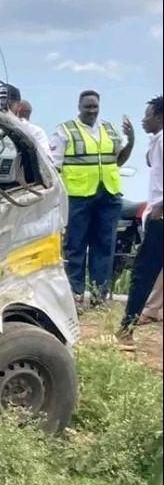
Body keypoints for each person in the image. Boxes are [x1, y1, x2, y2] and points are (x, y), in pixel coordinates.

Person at [51, 90, 135, 308]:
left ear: (99, 107)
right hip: (78, 196)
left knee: (104, 247)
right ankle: (75, 296)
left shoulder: (110, 129)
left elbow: (118, 162)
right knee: (75, 246)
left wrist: (131, 141)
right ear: (79, 107)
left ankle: (99, 296)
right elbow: (54, 166)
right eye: (87, 106)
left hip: (108, 195)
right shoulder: (65, 131)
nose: (91, 111)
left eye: (95, 106)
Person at [117, 95, 163, 339]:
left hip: (161, 218)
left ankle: (126, 329)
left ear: (158, 116)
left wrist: (160, 207)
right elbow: (149, 162)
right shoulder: (158, 140)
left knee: (143, 273)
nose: (143, 120)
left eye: (147, 115)